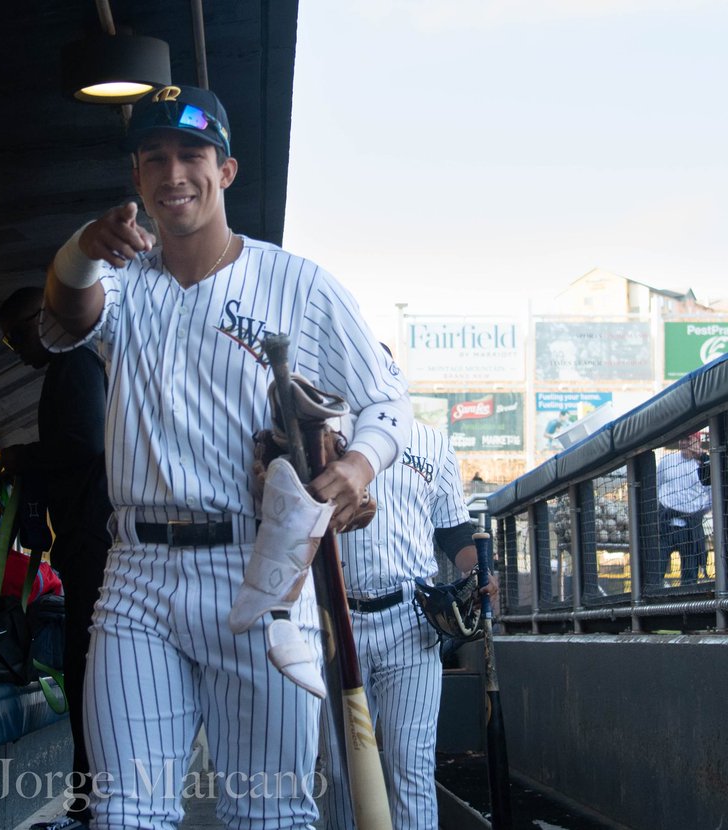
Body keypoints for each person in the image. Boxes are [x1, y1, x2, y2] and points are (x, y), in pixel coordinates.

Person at [40, 84, 411, 829]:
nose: (174, 174)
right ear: (138, 180)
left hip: (260, 564)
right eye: (156, 160)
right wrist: (81, 246)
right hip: (137, 572)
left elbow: (388, 402)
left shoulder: (298, 284)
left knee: (268, 815)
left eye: (192, 156)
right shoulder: (122, 279)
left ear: (227, 171)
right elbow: (63, 314)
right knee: (122, 814)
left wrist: (357, 466)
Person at [320, 388, 499, 829]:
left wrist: (481, 573)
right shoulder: (327, 439)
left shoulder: (432, 441)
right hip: (338, 618)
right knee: (342, 769)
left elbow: (454, 532)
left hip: (411, 617)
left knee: (411, 763)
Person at [0, 287, 113, 830]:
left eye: (18, 333)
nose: (16, 348)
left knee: (86, 670)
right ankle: (91, 806)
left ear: (44, 317)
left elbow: (85, 442)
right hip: (86, 540)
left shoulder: (74, 361)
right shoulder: (70, 366)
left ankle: (89, 809)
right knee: (84, 669)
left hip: (94, 540)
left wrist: (25, 457)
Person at [655, 433, 712, 586]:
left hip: (691, 527)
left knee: (690, 577)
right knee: (654, 572)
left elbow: (712, 495)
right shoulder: (667, 461)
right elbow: (656, 487)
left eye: (688, 439)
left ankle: (687, 608)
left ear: (697, 441)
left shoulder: (705, 465)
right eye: (681, 439)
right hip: (667, 524)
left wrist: (697, 514)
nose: (683, 443)